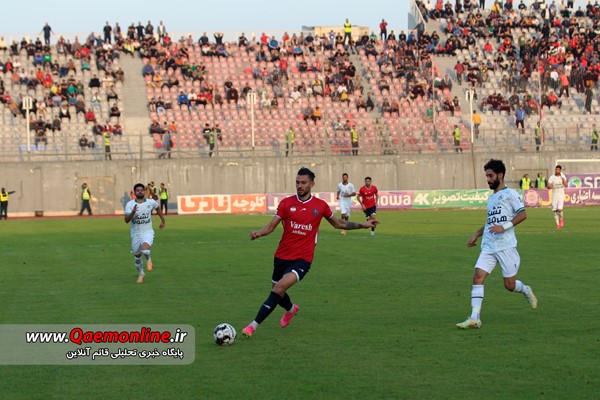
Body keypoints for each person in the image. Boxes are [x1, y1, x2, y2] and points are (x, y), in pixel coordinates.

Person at [241, 167, 379, 338]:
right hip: (281, 256)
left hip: (303, 259)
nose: (300, 186)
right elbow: (271, 226)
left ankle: (252, 326)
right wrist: (259, 233)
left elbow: (339, 224)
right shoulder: (286, 203)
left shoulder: (320, 206)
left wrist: (363, 225)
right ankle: (291, 309)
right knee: (278, 291)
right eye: (297, 182)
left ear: (312, 184)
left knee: (279, 288)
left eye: (303, 183)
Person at [456, 159, 537, 330]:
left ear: (500, 175)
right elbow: (490, 223)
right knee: (478, 276)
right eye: (486, 176)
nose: (488, 179)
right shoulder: (492, 198)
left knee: (509, 285)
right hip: (489, 246)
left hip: (506, 246)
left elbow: (523, 214)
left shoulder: (510, 194)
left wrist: (504, 227)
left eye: (490, 176)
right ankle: (475, 318)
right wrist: (476, 234)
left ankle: (525, 289)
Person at [124, 183, 165, 284]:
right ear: (134, 193)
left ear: (144, 191)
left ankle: (148, 258)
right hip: (135, 234)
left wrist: (163, 221)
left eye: (141, 190)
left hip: (147, 232)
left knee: (145, 249)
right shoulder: (130, 204)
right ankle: (141, 274)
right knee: (137, 257)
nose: (140, 192)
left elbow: (158, 209)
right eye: (137, 190)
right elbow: (126, 220)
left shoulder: (151, 202)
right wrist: (133, 212)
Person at [547, 165, 567, 229]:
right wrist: (550, 186)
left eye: (558, 170)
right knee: (555, 210)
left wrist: (563, 180)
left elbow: (566, 185)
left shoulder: (562, 176)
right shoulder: (552, 177)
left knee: (560, 209)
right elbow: (548, 186)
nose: (556, 170)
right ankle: (558, 224)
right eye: (556, 169)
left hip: (561, 194)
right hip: (554, 194)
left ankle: (561, 220)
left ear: (560, 170)